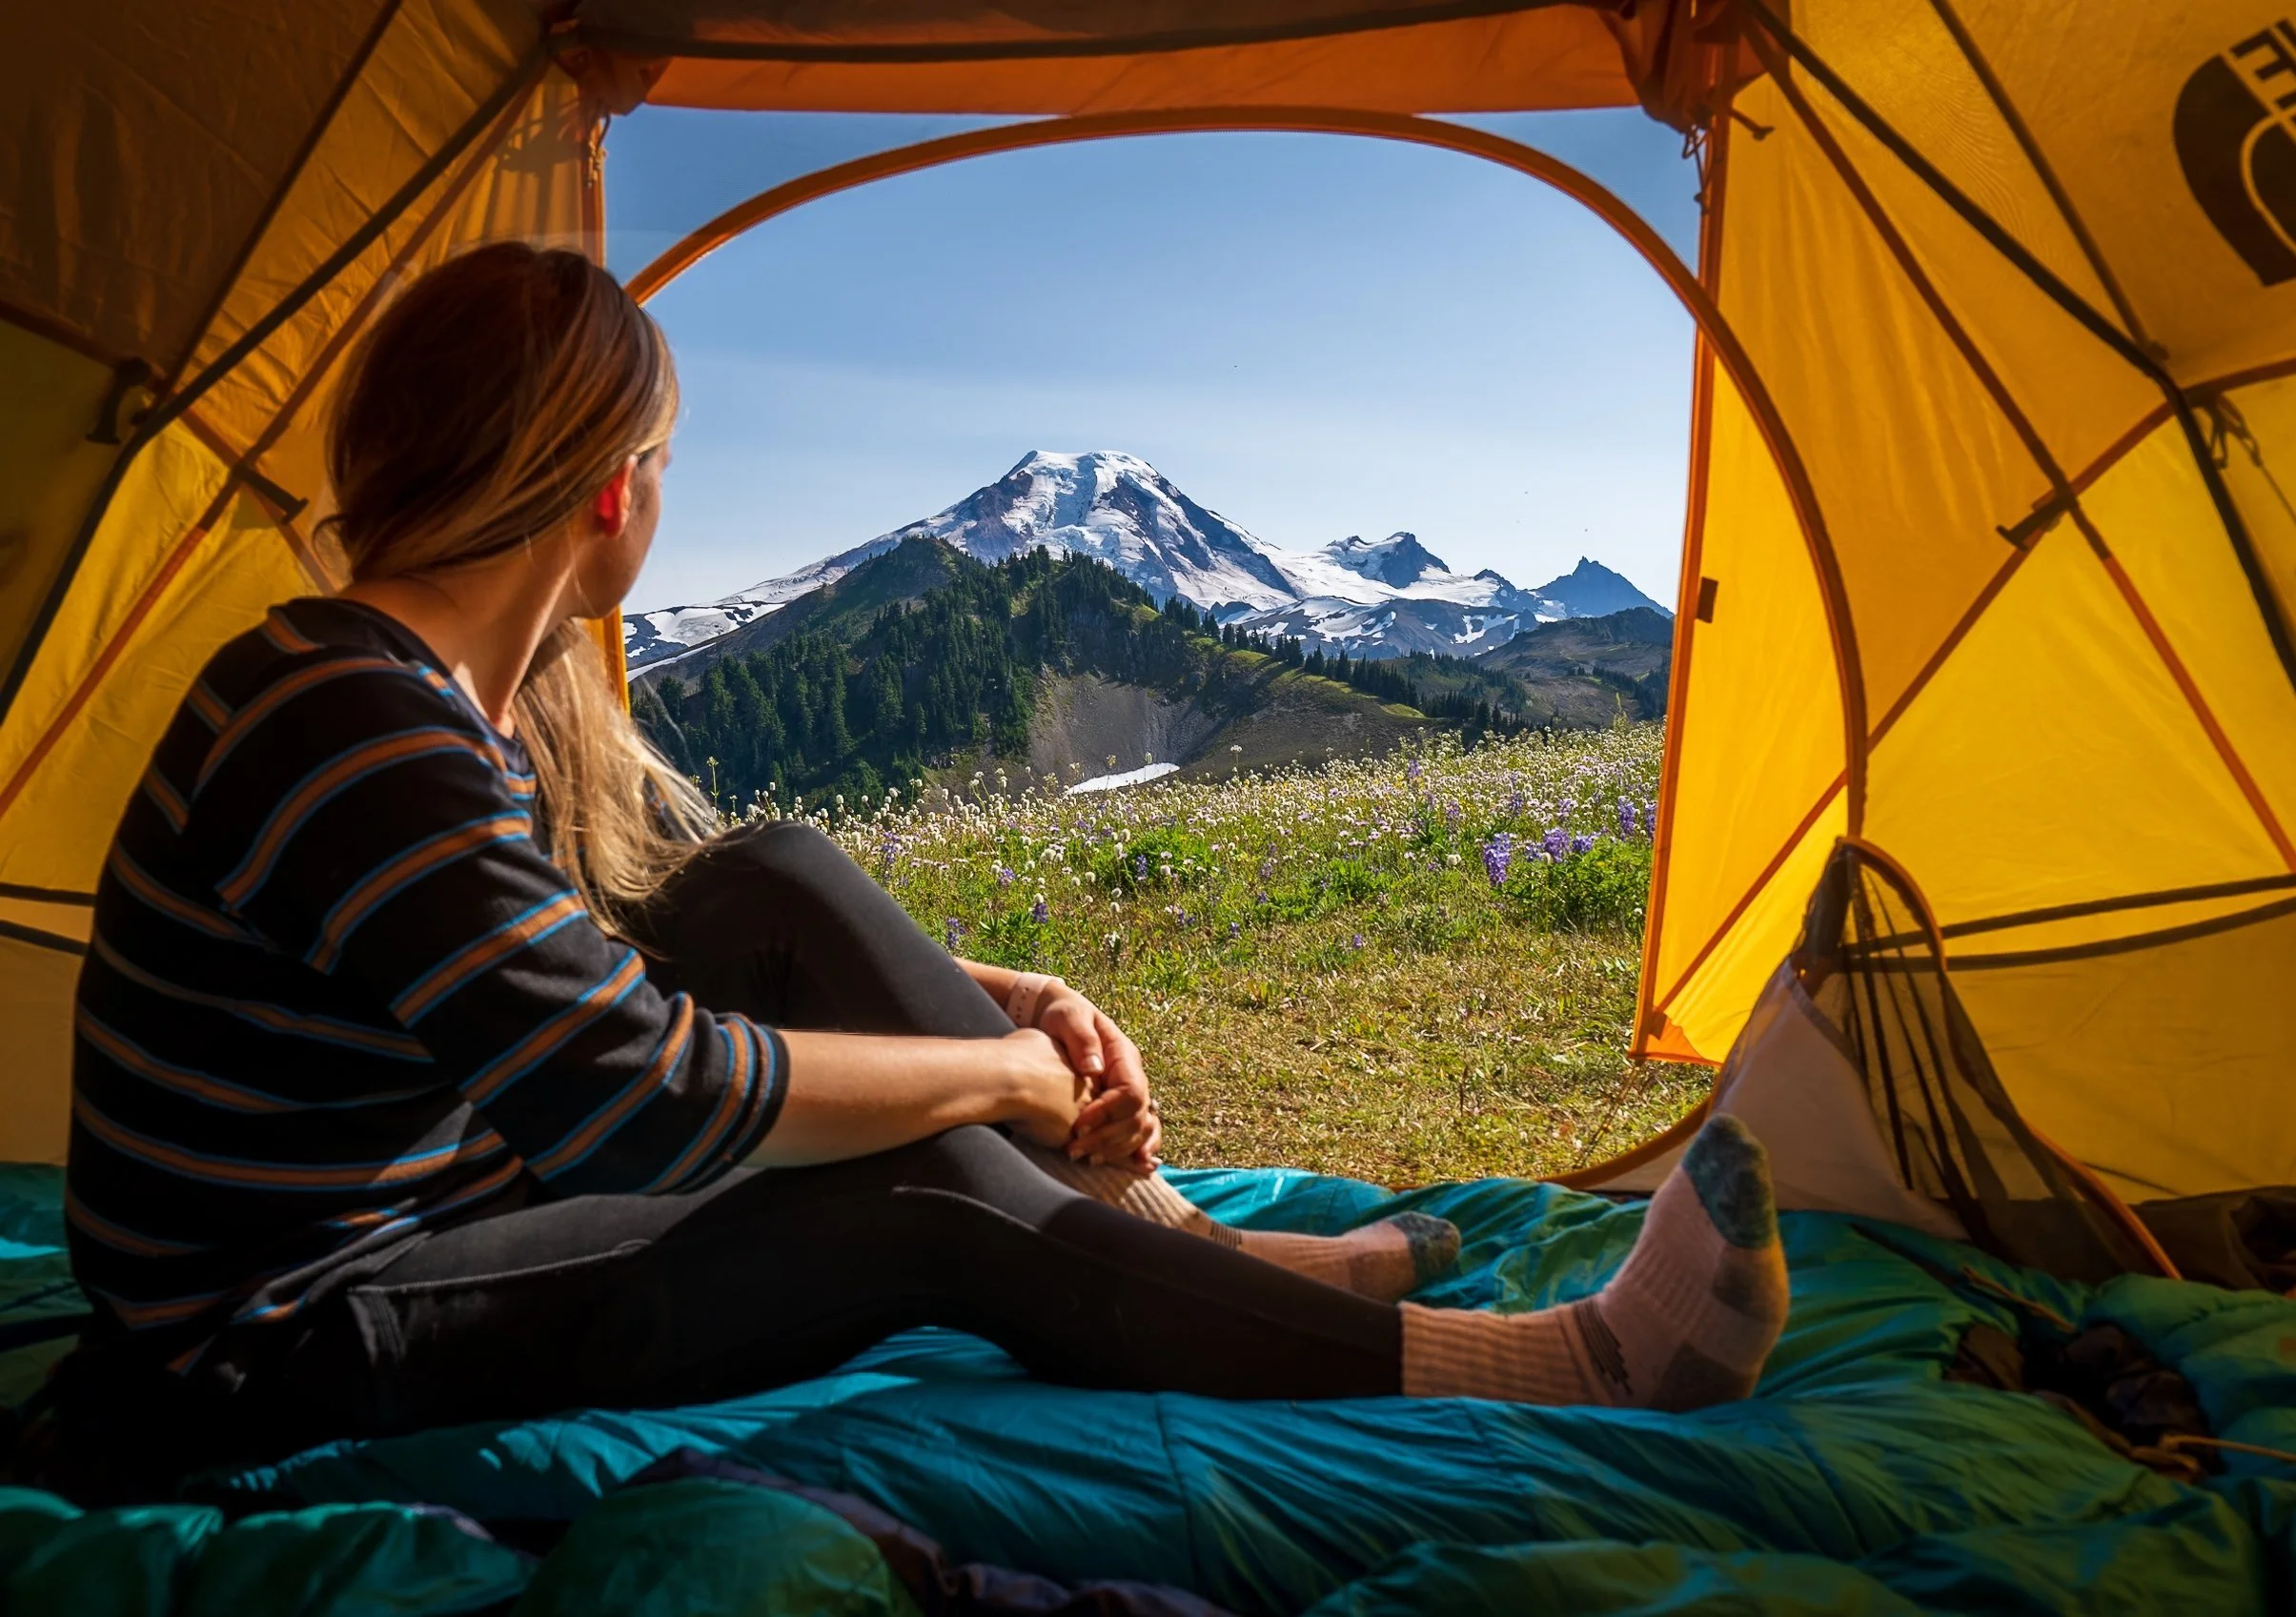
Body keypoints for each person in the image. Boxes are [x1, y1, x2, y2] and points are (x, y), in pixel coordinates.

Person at [52, 244, 1788, 1497]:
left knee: (770, 877)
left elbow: (594, 983)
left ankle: (1194, 1258)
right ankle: (1561, 1371)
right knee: (926, 1210)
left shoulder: (409, 695)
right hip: (262, 1349)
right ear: (610, 493)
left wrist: (992, 1002)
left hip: (410, 1217)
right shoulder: (354, 718)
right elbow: (639, 1101)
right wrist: (1008, 1077)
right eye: (660, 461)